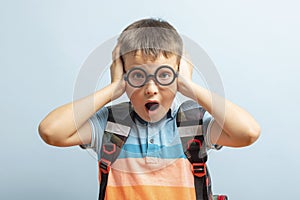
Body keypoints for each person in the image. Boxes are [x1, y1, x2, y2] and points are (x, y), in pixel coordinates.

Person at [38, 18, 260, 200]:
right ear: (123, 76)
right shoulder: (111, 126)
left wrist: (190, 87)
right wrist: (113, 89)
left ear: (178, 75)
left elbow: (248, 133)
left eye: (164, 75)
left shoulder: (192, 125)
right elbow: (51, 131)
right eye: (137, 76)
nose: (151, 89)